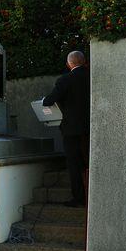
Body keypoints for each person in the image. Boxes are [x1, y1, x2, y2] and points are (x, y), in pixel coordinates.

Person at [43, 51, 90, 207]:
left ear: (69, 64)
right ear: (84, 62)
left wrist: (45, 101)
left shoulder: (65, 79)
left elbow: (50, 100)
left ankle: (79, 198)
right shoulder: (92, 76)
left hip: (72, 130)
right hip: (91, 129)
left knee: (74, 165)